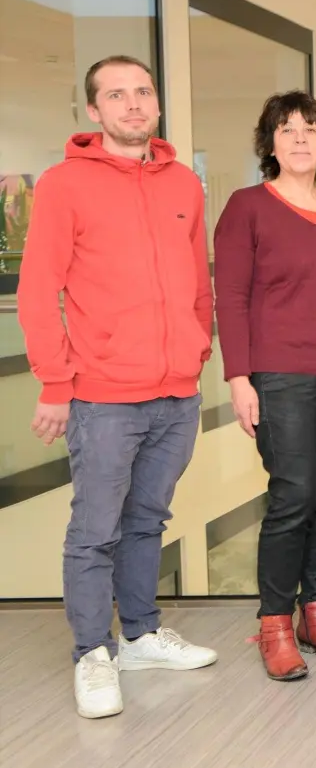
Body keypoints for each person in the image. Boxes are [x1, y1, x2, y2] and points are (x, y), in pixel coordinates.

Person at [18, 55, 218, 718]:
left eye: (142, 92)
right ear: (93, 111)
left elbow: (197, 283)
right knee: (95, 531)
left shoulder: (185, 184)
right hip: (102, 396)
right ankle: (91, 654)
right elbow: (37, 290)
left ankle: (138, 635)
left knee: (146, 523)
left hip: (176, 391)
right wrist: (54, 380)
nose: (132, 104)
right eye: (116, 95)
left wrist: (198, 347)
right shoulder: (62, 184)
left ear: (156, 103)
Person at [214, 91, 316, 680]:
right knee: (293, 497)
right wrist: (238, 376)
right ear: (270, 143)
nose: (300, 138)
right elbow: (229, 296)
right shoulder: (247, 206)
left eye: (311, 128)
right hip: (279, 373)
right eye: (287, 129)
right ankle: (275, 625)